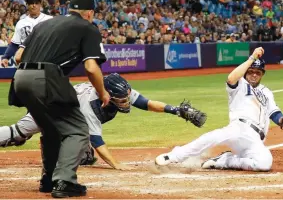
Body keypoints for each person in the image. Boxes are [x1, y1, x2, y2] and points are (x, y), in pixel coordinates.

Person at [11, 0, 110, 198]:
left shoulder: (44, 24)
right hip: (47, 77)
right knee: (77, 130)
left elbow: (19, 56)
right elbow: (91, 68)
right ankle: (64, 181)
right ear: (90, 13)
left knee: (51, 128)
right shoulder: (87, 27)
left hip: (20, 78)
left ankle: (48, 180)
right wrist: (103, 93)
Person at [0, 73, 206, 171]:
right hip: (47, 109)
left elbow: (146, 103)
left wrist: (176, 110)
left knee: (84, 154)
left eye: (126, 97)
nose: (126, 102)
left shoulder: (116, 90)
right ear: (106, 96)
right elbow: (98, 141)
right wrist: (117, 165)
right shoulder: (89, 105)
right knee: (16, 134)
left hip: (67, 117)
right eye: (122, 99)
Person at [155, 47, 283, 171]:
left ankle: (226, 160)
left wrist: (282, 120)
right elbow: (231, 78)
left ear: (262, 74)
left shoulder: (267, 92)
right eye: (251, 71)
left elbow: (274, 112)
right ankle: (174, 156)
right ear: (246, 72)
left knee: (264, 164)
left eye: (258, 72)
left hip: (255, 140)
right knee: (212, 138)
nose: (254, 75)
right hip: (239, 127)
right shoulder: (240, 84)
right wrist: (252, 58)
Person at [1, 0, 52, 67]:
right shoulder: (21, 23)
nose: (34, 5)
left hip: (45, 59)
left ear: (40, 4)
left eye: (36, 2)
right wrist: (6, 57)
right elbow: (15, 44)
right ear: (27, 5)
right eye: (31, 3)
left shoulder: (50, 19)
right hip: (26, 61)